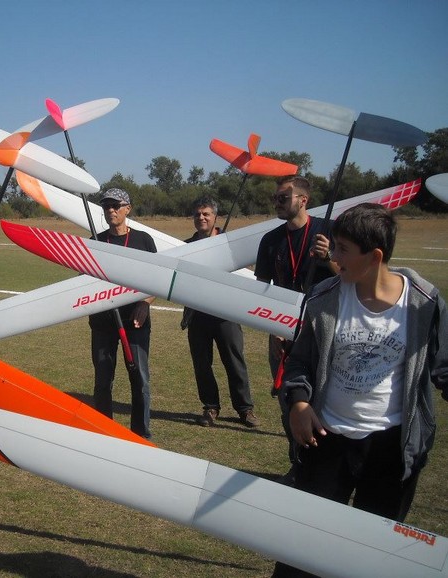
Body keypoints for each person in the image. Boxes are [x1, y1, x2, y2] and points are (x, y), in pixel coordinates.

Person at [271, 203, 448, 578]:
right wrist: (299, 403)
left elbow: (444, 367)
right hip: (326, 440)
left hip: (390, 449)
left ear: (375, 256)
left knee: (374, 554)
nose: (333, 256)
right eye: (334, 246)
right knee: (300, 547)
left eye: (342, 249)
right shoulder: (323, 297)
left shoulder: (424, 303)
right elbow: (298, 361)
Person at [255, 176, 336, 483]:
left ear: (303, 200)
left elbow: (351, 277)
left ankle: (326, 468)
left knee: (325, 401)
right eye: (275, 198)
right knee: (290, 402)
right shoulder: (270, 240)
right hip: (282, 332)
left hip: (323, 332)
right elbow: (262, 290)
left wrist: (329, 258)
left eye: (283, 198)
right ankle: (298, 464)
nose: (276, 203)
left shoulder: (328, 232)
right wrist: (273, 326)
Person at [180, 197, 259, 428]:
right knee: (202, 364)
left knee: (234, 362)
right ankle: (210, 407)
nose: (201, 218)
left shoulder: (229, 243)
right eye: (197, 214)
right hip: (197, 315)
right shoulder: (186, 246)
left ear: (215, 217)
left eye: (206, 214)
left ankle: (245, 409)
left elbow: (246, 272)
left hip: (226, 314)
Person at [88, 188, 157, 439]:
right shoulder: (94, 241)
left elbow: (156, 279)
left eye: (116, 205)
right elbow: (83, 281)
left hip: (135, 321)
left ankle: (140, 434)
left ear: (128, 208)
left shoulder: (143, 240)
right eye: (106, 206)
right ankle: (105, 433)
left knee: (140, 380)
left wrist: (145, 303)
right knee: (102, 381)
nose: (111, 210)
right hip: (102, 323)